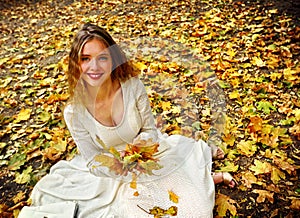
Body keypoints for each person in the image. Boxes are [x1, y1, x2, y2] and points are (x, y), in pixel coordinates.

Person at [19, 23, 235, 218]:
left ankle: (202, 177)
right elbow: (92, 160)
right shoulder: (74, 112)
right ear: (77, 64)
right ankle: (201, 177)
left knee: (196, 210)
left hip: (147, 154)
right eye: (86, 59)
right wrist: (117, 166)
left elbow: (150, 130)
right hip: (111, 173)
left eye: (102, 57)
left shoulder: (132, 87)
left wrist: (140, 148)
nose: (94, 67)